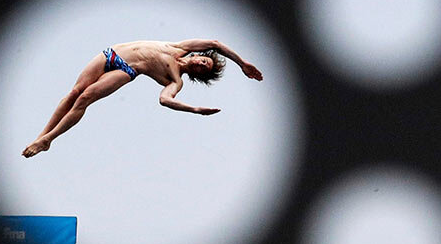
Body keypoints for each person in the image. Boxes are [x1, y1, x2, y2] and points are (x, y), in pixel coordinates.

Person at [22, 39, 263, 157]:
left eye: (204, 67)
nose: (201, 62)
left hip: (126, 70)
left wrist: (195, 110)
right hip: (112, 54)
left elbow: (165, 100)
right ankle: (42, 136)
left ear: (198, 74)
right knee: (74, 92)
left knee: (85, 97)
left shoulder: (175, 79)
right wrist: (241, 63)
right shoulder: (179, 47)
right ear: (199, 55)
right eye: (204, 59)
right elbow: (215, 43)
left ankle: (48, 140)